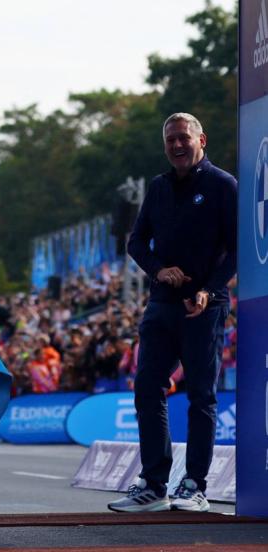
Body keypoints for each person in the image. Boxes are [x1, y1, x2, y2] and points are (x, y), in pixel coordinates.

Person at [108, 113, 236, 513]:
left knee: (202, 395)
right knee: (147, 388)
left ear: (202, 140)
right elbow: (136, 242)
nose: (177, 146)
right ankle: (153, 482)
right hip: (161, 303)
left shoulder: (222, 185)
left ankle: (194, 484)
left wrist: (209, 290)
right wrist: (159, 269)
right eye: (170, 140)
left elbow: (235, 250)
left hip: (204, 307)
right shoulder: (159, 187)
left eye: (184, 138)